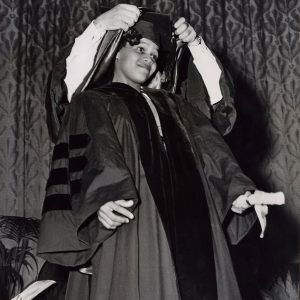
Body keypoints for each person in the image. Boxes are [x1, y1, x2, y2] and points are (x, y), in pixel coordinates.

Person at [38, 4, 284, 300]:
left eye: (155, 55)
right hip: (134, 219)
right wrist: (97, 203)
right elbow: (93, 150)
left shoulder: (175, 105)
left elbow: (213, 139)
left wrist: (237, 192)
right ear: (116, 51)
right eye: (140, 48)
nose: (149, 58)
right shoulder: (94, 100)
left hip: (194, 221)